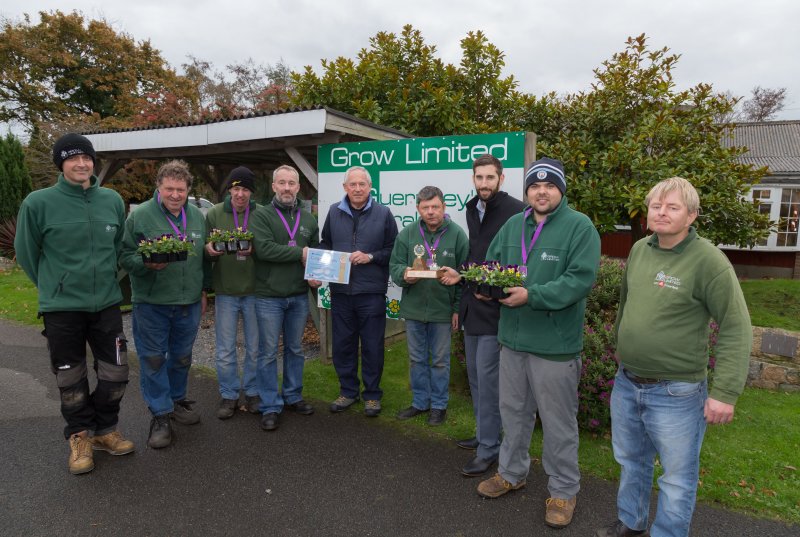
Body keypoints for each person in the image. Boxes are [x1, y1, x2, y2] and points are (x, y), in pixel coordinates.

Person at [596, 177, 752, 537]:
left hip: (677, 392)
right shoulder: (640, 250)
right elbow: (626, 304)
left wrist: (725, 392)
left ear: (692, 215)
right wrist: (622, 346)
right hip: (627, 381)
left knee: (677, 478)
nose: (661, 213)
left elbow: (735, 326)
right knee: (631, 462)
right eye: (656, 206)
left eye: (673, 207)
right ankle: (631, 522)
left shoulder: (709, 261)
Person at [476, 157, 600, 530]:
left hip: (554, 346)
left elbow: (578, 281)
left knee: (559, 423)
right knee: (513, 413)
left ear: (561, 190)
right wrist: (484, 285)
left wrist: (532, 295)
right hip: (513, 340)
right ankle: (512, 473)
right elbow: (491, 265)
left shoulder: (580, 228)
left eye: (549, 186)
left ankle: (563, 490)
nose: (541, 192)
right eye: (534, 186)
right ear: (527, 190)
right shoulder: (515, 224)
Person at [15, 133, 134, 474]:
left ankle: (105, 429)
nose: (81, 164)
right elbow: (27, 253)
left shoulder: (111, 200)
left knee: (116, 372)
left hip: (107, 304)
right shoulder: (38, 203)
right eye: (72, 158)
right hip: (62, 307)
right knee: (70, 377)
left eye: (86, 158)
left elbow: (118, 247)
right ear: (61, 164)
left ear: (93, 162)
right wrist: (54, 287)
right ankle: (80, 435)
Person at [439, 154, 526, 475]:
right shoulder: (471, 208)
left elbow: (516, 263)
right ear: (473, 179)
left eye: (490, 178)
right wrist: (461, 274)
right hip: (471, 305)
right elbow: (479, 257)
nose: (484, 184)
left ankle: (490, 449)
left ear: (501, 179)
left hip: (496, 310)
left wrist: (491, 290)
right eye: (479, 178)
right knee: (475, 377)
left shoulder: (517, 210)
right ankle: (484, 435)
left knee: (488, 380)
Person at [120, 160, 209, 449]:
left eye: (180, 189)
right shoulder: (141, 216)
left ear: (188, 190)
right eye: (169, 188)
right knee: (153, 358)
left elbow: (203, 261)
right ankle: (160, 414)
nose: (174, 194)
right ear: (158, 187)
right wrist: (147, 263)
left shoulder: (196, 216)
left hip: (189, 302)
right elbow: (124, 256)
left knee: (182, 356)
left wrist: (205, 290)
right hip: (152, 303)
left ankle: (177, 400)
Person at [319, 166, 398, 417]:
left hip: (371, 292)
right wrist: (317, 268)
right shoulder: (333, 212)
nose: (357, 189)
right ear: (345, 187)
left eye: (362, 184)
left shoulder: (383, 214)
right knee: (343, 344)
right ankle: (348, 391)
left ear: (370, 187)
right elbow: (326, 245)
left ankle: (372, 396)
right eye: (352, 184)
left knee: (373, 346)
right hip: (341, 292)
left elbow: (393, 250)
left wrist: (371, 256)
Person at [390, 186, 468, 426]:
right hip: (414, 310)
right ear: (418, 209)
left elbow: (464, 275)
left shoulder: (457, 235)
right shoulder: (408, 234)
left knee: (441, 360)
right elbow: (394, 266)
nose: (431, 212)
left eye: (435, 207)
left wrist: (457, 309)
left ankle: (439, 405)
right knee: (416, 358)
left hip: (442, 311)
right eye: (425, 208)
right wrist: (405, 275)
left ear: (444, 207)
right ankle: (420, 402)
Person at [250, 165, 320, 431]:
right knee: (268, 353)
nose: (287, 188)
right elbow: (264, 250)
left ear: (298, 187)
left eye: (292, 183)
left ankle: (292, 396)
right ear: (274, 186)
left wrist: (314, 274)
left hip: (299, 296)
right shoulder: (262, 216)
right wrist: (300, 254)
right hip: (269, 296)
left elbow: (314, 253)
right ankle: (270, 405)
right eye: (282, 183)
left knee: (295, 349)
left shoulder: (308, 219)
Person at [205, 167, 261, 419]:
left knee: (255, 347)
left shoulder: (260, 214)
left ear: (251, 192)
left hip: (255, 290)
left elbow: (267, 247)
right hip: (226, 291)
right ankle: (229, 394)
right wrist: (208, 248)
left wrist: (256, 249)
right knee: (226, 348)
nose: (240, 194)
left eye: (245, 189)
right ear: (230, 190)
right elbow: (203, 249)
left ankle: (251, 391)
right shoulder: (215, 213)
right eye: (236, 188)